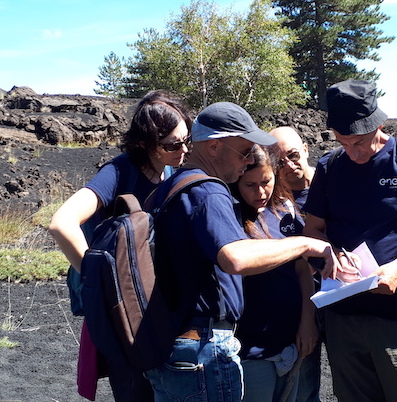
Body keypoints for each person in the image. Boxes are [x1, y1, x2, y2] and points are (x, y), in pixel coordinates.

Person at [143, 101, 341, 402]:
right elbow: (236, 258)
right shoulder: (208, 191)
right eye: (244, 150)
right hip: (202, 347)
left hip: (177, 341)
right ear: (213, 147)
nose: (248, 159)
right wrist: (305, 243)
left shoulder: (174, 185)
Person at [303, 80, 397, 402]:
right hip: (343, 320)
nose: (352, 153)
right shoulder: (329, 167)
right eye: (343, 142)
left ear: (378, 125)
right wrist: (330, 255)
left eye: (359, 142)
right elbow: (313, 230)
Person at [48, 90, 192, 401]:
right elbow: (61, 223)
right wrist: (98, 278)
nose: (183, 151)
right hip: (126, 316)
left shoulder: (168, 170)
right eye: (172, 145)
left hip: (158, 309)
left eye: (186, 140)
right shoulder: (118, 171)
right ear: (144, 143)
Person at [233, 144, 316, 402]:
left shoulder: (284, 209)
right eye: (250, 185)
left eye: (266, 181)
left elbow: (303, 269)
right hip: (250, 348)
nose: (261, 192)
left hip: (291, 341)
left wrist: (307, 321)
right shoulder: (230, 216)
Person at [269, 126, 322, 402]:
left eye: (293, 155)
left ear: (306, 149)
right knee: (303, 384)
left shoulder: (330, 186)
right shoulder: (271, 200)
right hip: (300, 300)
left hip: (345, 298)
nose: (289, 165)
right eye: (279, 161)